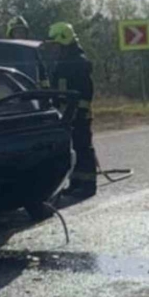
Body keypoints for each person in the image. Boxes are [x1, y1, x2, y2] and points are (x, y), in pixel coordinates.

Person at [47, 22, 98, 200]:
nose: (54, 47)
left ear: (64, 39)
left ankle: (88, 185)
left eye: (56, 43)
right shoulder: (65, 60)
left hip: (79, 115)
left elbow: (85, 92)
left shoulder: (79, 62)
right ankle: (76, 183)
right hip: (68, 115)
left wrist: (79, 112)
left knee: (83, 148)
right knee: (73, 150)